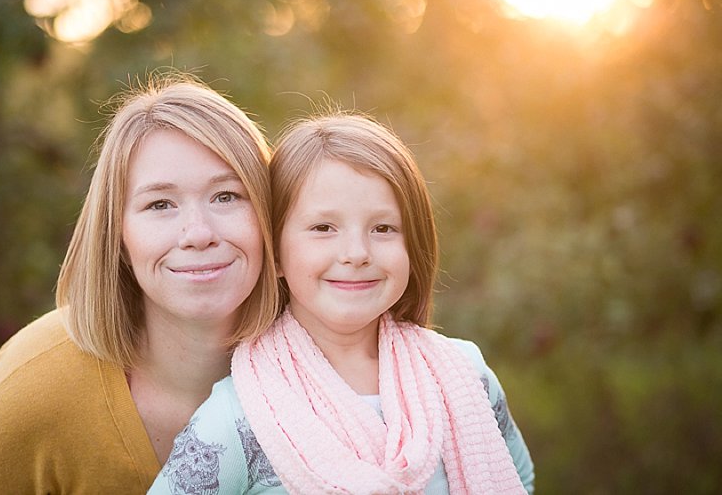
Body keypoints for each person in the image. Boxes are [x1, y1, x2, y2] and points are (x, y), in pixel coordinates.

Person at [0, 74, 279, 494]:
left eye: (226, 196)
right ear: (119, 236)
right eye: (159, 204)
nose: (198, 233)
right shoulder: (34, 386)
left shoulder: (328, 367)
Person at [148, 112, 535, 494]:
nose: (356, 253)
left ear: (412, 246)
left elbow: (518, 478)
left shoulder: (464, 374)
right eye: (323, 228)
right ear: (276, 253)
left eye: (383, 228)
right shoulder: (240, 415)